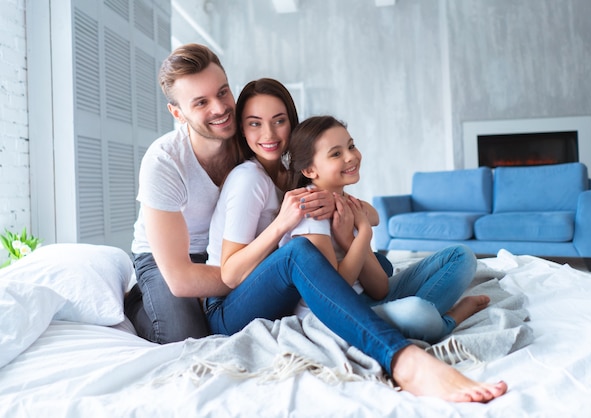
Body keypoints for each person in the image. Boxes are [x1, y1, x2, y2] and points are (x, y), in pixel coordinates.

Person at [205, 78, 507, 402]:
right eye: (255, 124)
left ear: (292, 124)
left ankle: (423, 324)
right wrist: (296, 225)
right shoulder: (256, 181)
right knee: (416, 311)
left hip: (337, 285)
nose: (269, 134)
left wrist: (355, 223)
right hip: (242, 303)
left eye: (279, 121)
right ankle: (415, 348)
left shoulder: (296, 179)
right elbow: (233, 274)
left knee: (448, 258)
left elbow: (372, 229)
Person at [125, 44, 331, 344]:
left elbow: (290, 173)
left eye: (222, 92)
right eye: (201, 103)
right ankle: (139, 301)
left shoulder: (249, 136)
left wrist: (323, 196)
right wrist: (252, 277)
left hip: (227, 251)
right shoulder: (164, 162)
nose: (220, 109)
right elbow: (181, 278)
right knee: (186, 337)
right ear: (177, 113)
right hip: (169, 260)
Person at [283, 115, 490, 343]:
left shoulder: (342, 201)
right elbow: (334, 295)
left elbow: (380, 288)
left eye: (351, 146)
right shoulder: (313, 213)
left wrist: (352, 239)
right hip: (338, 315)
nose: (351, 156)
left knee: (462, 256)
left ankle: (420, 315)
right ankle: (447, 320)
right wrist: (363, 235)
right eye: (336, 153)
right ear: (310, 170)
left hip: (366, 299)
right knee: (417, 313)